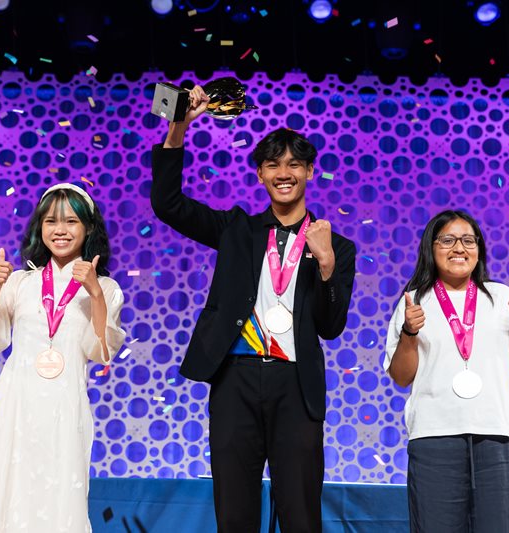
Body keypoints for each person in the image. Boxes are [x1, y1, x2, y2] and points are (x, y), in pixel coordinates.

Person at [150, 85, 356, 533]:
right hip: (235, 379)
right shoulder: (236, 230)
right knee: (235, 512)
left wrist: (326, 264)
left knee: (301, 514)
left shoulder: (335, 245)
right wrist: (179, 126)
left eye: (294, 164)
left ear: (309, 172)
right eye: (273, 164)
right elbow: (167, 204)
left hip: (295, 385)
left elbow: (331, 325)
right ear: (260, 174)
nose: (284, 173)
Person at [0, 183, 125, 532]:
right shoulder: (20, 281)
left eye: (71, 221)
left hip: (65, 402)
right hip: (17, 401)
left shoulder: (107, 288)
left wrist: (95, 294)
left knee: (61, 494)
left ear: (88, 229)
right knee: (8, 488)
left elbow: (99, 351)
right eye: (51, 221)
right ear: (40, 228)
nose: (61, 230)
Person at [384, 209, 509, 533]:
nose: (459, 247)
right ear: (431, 247)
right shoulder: (414, 301)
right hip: (433, 438)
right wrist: (409, 333)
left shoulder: (502, 297)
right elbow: (401, 376)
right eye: (448, 239)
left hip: (498, 437)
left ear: (479, 249)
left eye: (468, 240)